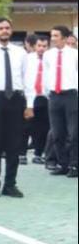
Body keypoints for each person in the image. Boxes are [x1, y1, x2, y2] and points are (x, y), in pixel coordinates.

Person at [0, 17, 32, 197]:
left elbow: (27, 80)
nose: (4, 31)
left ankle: (10, 184)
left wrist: (29, 105)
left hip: (16, 101)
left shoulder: (20, 53)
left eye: (7, 28)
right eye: (0, 28)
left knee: (14, 145)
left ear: (11, 30)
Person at [44, 25, 78, 178]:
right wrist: (48, 93)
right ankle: (62, 164)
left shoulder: (75, 54)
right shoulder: (48, 55)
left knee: (74, 133)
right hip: (54, 96)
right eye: (52, 36)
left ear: (64, 38)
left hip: (71, 95)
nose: (52, 39)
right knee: (57, 133)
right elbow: (46, 74)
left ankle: (74, 165)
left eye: (56, 36)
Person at [23, 34, 51, 165]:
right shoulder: (27, 59)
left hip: (45, 97)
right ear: (35, 46)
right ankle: (21, 153)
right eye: (39, 45)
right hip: (29, 96)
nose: (41, 48)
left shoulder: (51, 59)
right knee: (26, 126)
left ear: (48, 46)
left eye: (44, 46)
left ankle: (38, 153)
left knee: (43, 127)